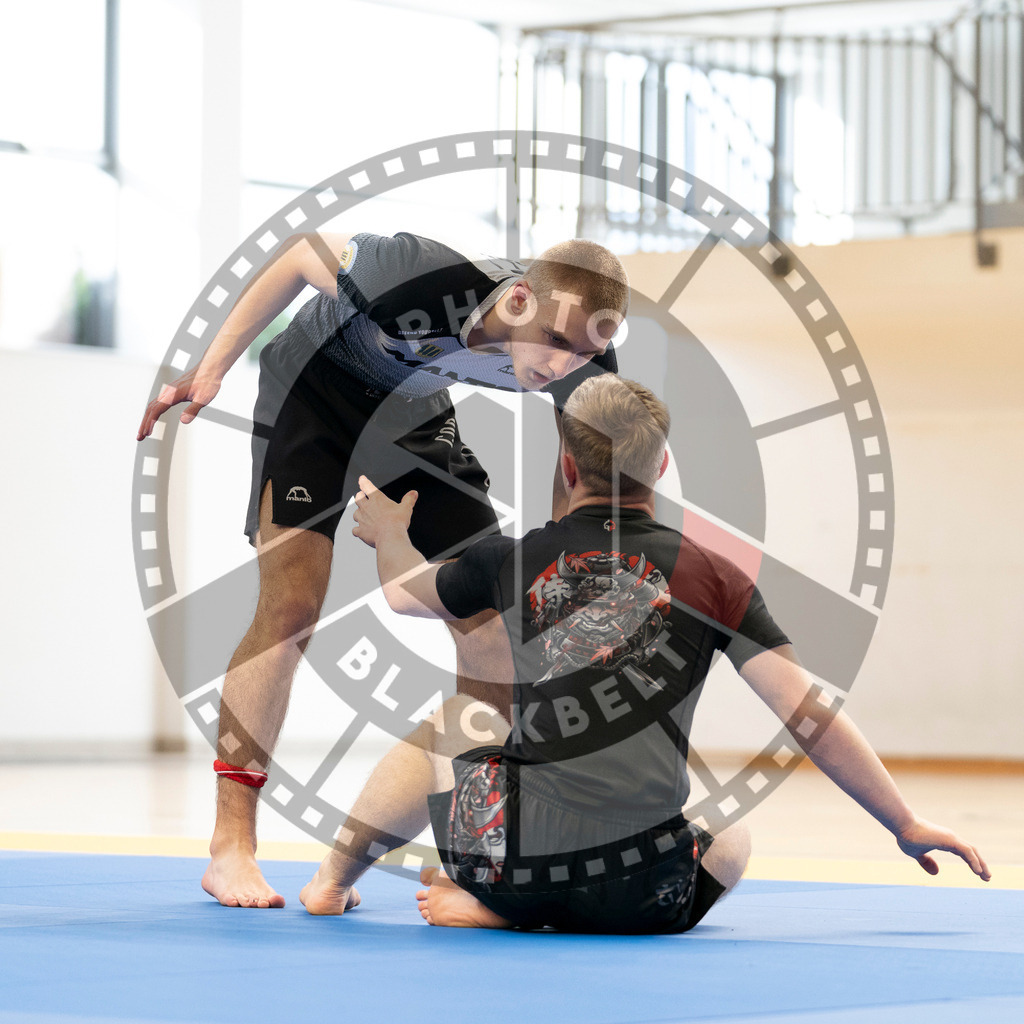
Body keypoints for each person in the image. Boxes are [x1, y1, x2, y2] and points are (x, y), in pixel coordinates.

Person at [299, 374, 990, 932]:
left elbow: (402, 593)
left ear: (569, 467)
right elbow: (808, 713)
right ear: (660, 464)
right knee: (731, 837)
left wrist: (390, 531)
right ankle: (507, 905)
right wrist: (903, 822)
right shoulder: (718, 577)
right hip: (644, 897)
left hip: (519, 875)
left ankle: (339, 886)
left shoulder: (515, 558)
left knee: (455, 726)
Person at [136, 230, 629, 908]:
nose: (562, 363)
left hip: (410, 414)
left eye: (584, 351)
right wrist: (214, 366)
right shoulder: (417, 276)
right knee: (291, 607)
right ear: (517, 300)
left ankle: (471, 850)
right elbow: (297, 255)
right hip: (310, 392)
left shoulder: (586, 362)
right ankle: (231, 846)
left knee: (486, 611)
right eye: (553, 339)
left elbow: (581, 467)